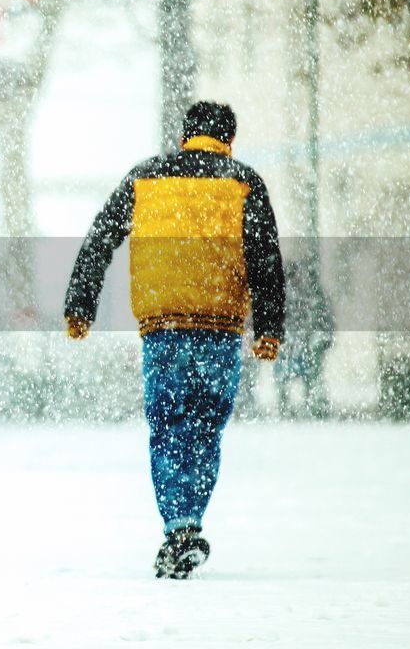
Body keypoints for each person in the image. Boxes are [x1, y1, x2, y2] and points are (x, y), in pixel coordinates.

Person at [63, 101, 285, 579]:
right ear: (228, 138)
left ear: (186, 134)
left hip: (162, 326)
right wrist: (268, 328)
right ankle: (190, 520)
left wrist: (80, 304)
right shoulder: (244, 182)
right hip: (219, 328)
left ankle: (178, 526)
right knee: (206, 426)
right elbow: (266, 261)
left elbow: (101, 237)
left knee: (167, 424)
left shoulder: (146, 177)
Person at [275, 258, 334, 419]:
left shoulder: (292, 294)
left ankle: (294, 406)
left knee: (294, 375)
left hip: (295, 342)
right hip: (296, 342)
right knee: (306, 375)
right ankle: (307, 405)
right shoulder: (303, 294)